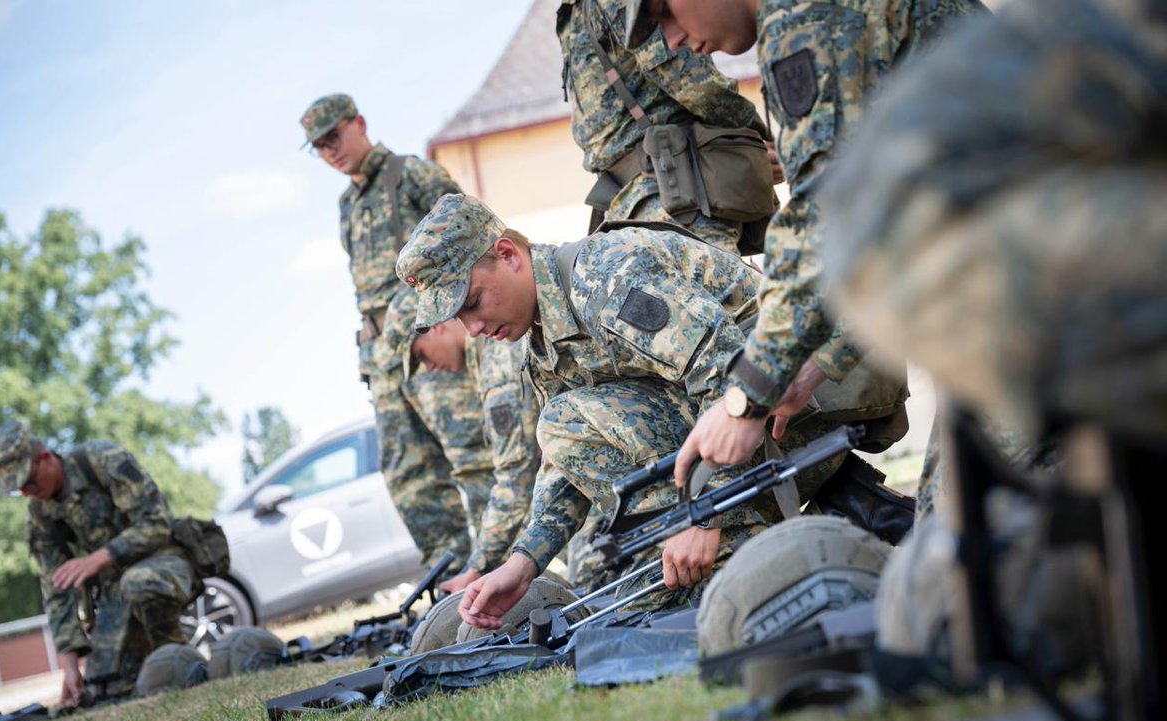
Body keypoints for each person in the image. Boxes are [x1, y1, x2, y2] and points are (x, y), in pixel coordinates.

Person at [813, 0, 1167, 661]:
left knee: (954, 562)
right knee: (949, 567)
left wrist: (755, 390)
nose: (674, 38)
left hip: (950, 229)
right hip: (964, 224)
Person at [394, 193, 857, 630]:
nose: (472, 328)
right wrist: (522, 564)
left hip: (807, 402)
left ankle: (739, 547)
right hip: (751, 438)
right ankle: (763, 536)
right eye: (458, 317)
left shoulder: (604, 280)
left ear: (508, 254)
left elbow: (732, 375)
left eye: (472, 302)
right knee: (626, 595)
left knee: (561, 421)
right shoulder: (541, 339)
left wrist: (703, 516)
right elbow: (566, 464)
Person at [622, 0, 981, 488]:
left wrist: (746, 399)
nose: (672, 40)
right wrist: (812, 368)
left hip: (1048, 273)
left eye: (665, 13)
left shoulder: (804, 18)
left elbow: (821, 219)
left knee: (983, 532)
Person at [301, 93, 494, 567]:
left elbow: (472, 228)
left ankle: (508, 566)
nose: (330, 151)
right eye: (319, 147)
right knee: (410, 474)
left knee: (471, 453)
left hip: (427, 337)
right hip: (380, 354)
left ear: (359, 123)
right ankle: (451, 580)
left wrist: (445, 316)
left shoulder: (411, 174)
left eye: (334, 137)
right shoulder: (348, 205)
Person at [0, 421, 195, 706]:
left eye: (28, 481)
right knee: (104, 689)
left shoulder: (101, 460)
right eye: (18, 488)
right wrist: (69, 666)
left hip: (164, 562)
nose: (26, 492)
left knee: (139, 583)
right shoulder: (40, 514)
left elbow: (157, 524)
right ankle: (153, 672)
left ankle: (179, 658)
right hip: (116, 593)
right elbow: (56, 589)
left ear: (45, 457)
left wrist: (99, 558)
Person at [558, 0, 781, 253]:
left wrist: (754, 141)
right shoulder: (573, 9)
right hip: (635, 201)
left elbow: (691, 78)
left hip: (675, 192)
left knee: (714, 288)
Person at [375, 291, 542, 594]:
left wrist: (477, 568)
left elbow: (517, 477)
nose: (427, 367)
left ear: (434, 325)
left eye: (420, 355)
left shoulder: (496, 363)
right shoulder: (483, 358)